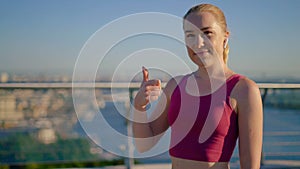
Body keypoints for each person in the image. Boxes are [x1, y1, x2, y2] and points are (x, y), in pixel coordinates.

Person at [132, 3, 263, 169]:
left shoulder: (244, 90)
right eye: (190, 35)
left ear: (225, 37)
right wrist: (139, 106)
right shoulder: (175, 86)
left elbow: (250, 165)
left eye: (207, 33)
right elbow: (145, 144)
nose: (198, 43)